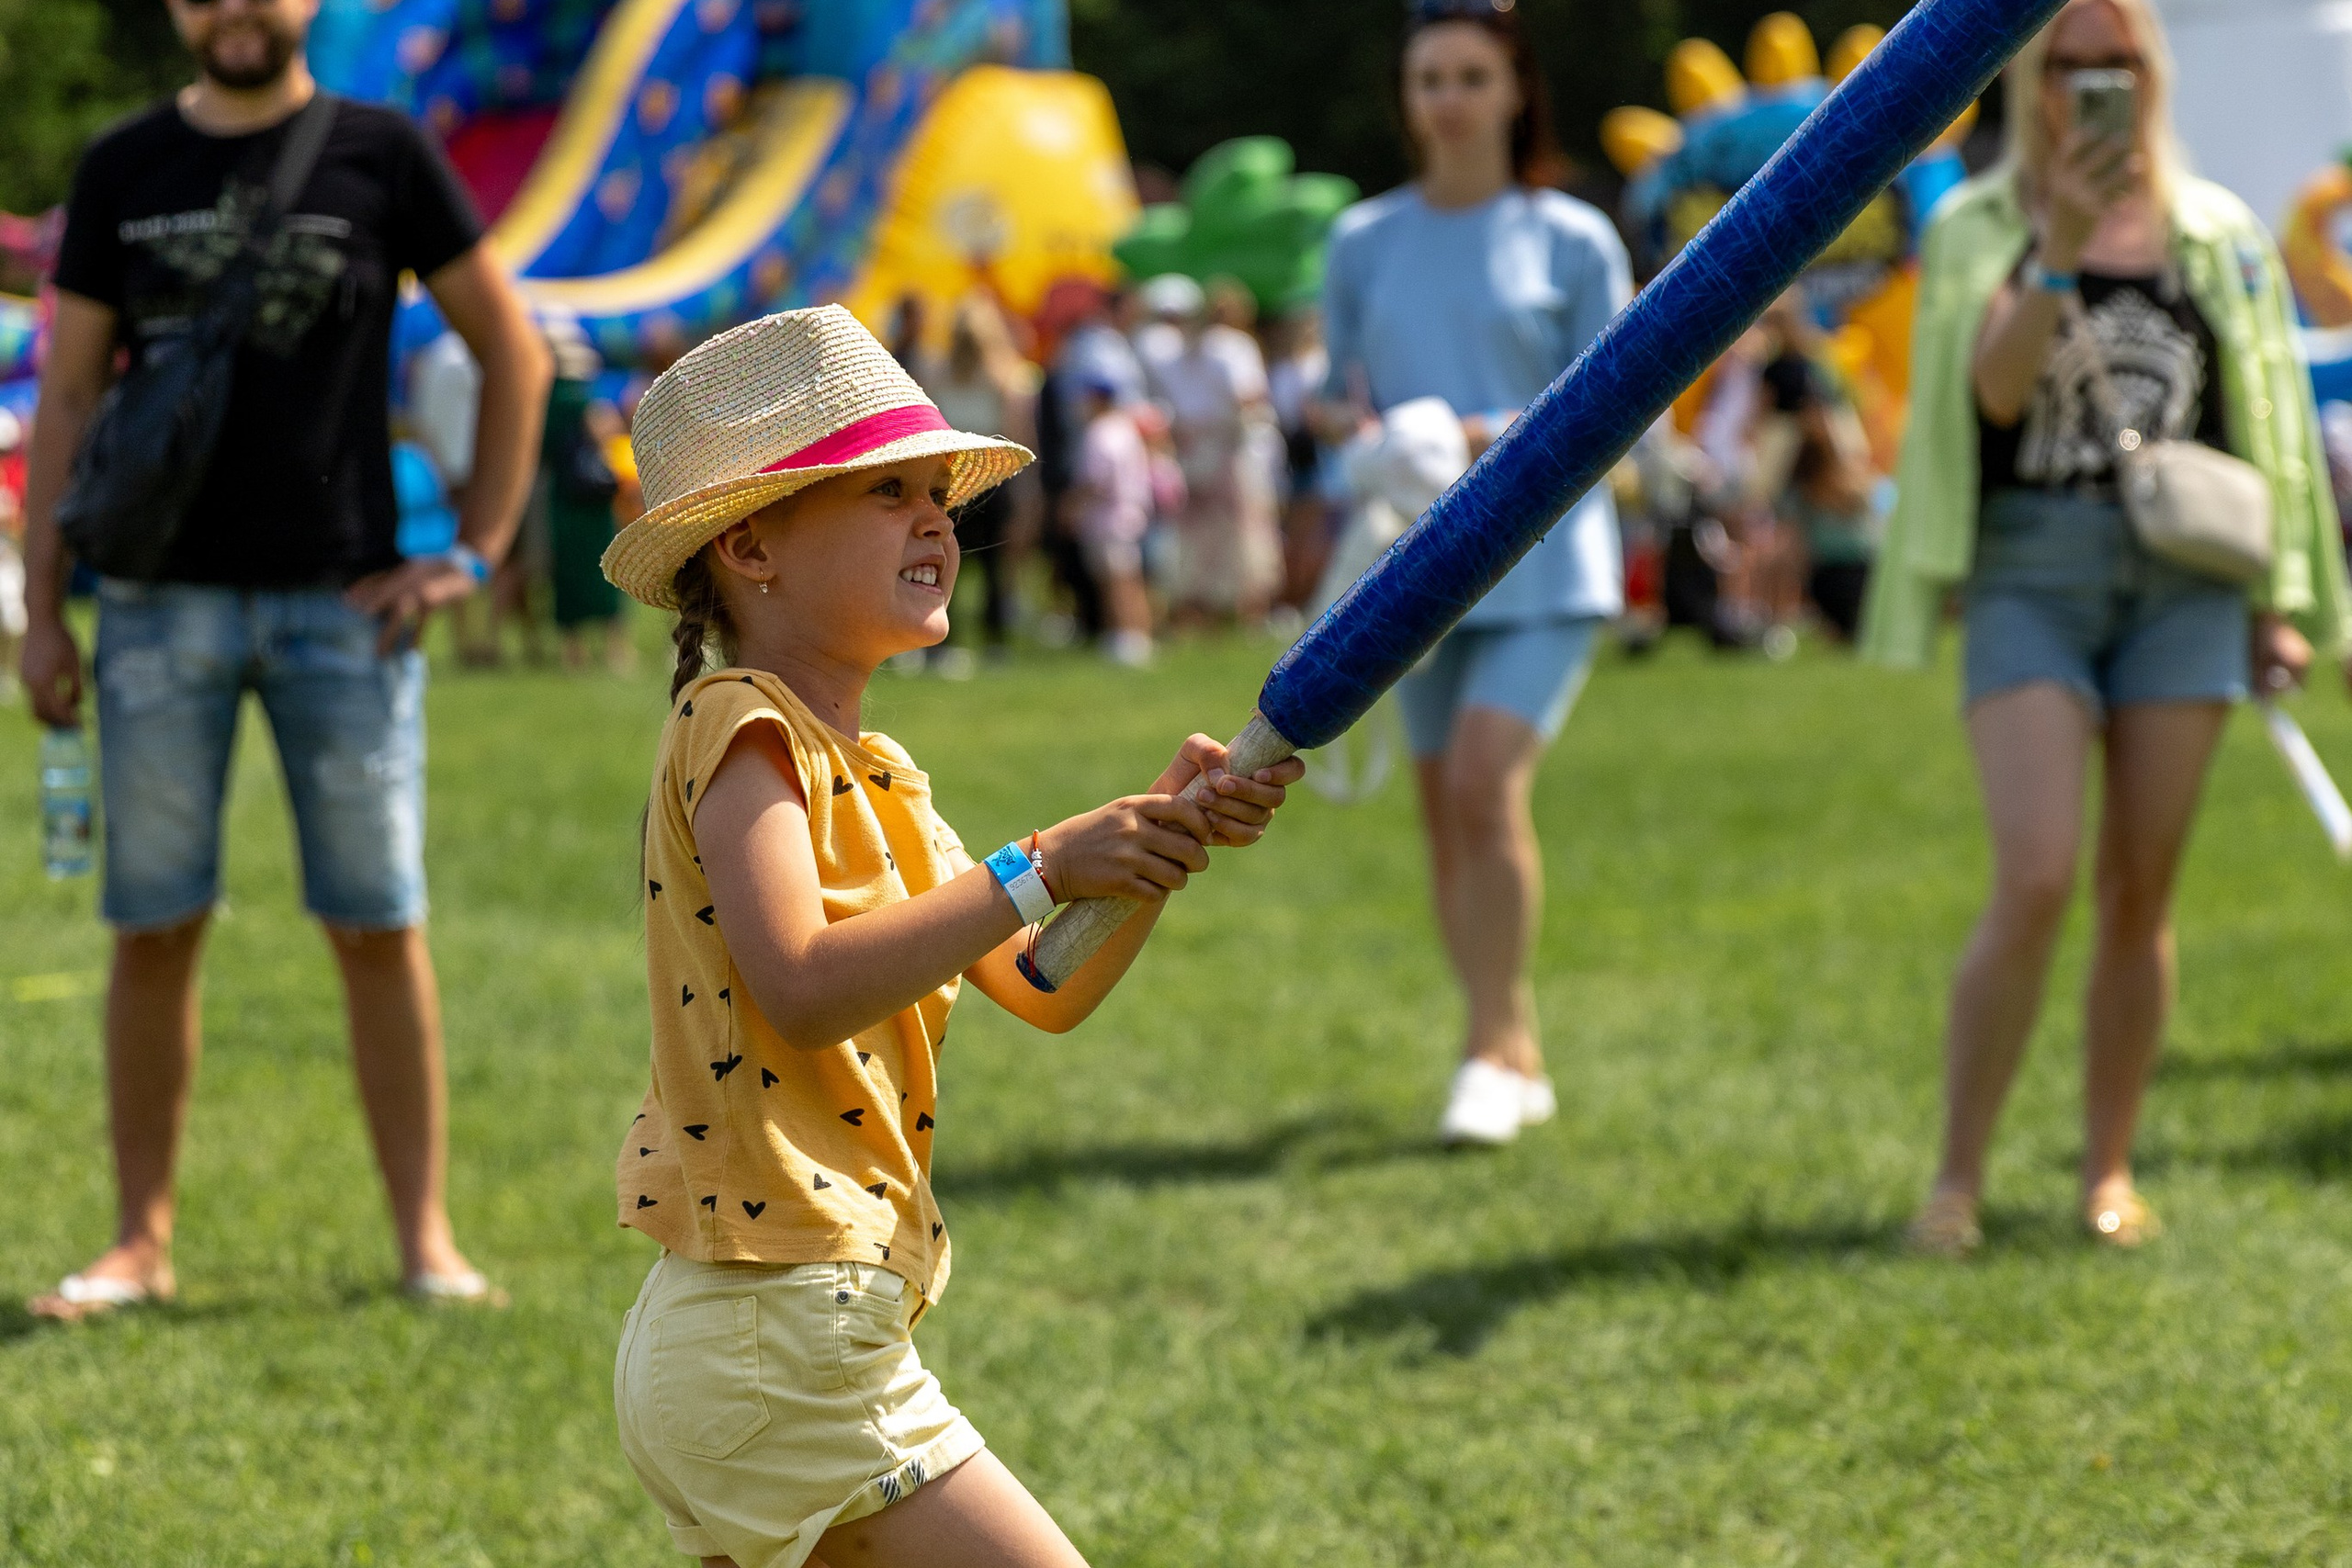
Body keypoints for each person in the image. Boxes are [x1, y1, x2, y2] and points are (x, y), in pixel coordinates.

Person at [598, 306, 1303, 1568]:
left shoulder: (882, 771)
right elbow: (804, 985)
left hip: (767, 1331)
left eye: (938, 492)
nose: (936, 520)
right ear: (752, 544)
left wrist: (1148, 846)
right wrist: (1041, 863)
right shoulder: (739, 724)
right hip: (779, 1324)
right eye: (886, 493)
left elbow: (1039, 980)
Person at [17, 0, 551, 1319]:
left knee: (379, 921)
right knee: (153, 924)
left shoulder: (384, 150)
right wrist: (41, 610)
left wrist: (474, 548)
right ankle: (139, 1240)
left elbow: (513, 348)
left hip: (345, 606)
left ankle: (426, 1239)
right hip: (152, 607)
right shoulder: (120, 163)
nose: (235, 6)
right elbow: (69, 394)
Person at [1862, 0, 2350, 1254]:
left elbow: (2265, 429)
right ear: (2029, 75)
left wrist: (2277, 602)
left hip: (2184, 578)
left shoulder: (2219, 228)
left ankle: (2107, 1167)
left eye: (2114, 61)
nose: (2090, 83)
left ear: (2151, 71)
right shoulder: (1980, 224)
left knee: (2143, 888)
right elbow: (1991, 392)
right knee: (2034, 873)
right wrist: (2063, 246)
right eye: (2066, 61)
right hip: (2033, 568)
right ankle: (1957, 1175)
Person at [1316, 0, 1632, 1145]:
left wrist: (1476, 429)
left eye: (1469, 76)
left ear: (1513, 91)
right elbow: (1328, 393)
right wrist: (1370, 443)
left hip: (1549, 560)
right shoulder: (1362, 240)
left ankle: (1490, 1053)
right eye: (1428, 78)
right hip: (1419, 563)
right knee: (1445, 813)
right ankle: (1508, 1036)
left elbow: (1622, 397)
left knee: (1488, 785)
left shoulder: (1571, 239)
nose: (1447, 98)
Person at [916, 294, 1040, 659]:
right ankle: (991, 642)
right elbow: (1022, 439)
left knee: (943, 562)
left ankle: (944, 645)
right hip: (990, 478)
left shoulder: (938, 373)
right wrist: (1028, 495)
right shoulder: (1010, 376)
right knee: (991, 567)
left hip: (955, 478)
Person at [1069, 372, 1156, 666]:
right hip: (1129, 512)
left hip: (1109, 517)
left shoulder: (1101, 432)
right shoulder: (1125, 429)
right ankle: (1130, 634)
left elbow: (1097, 479)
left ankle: (1128, 636)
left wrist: (1072, 504)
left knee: (1117, 580)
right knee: (1127, 577)